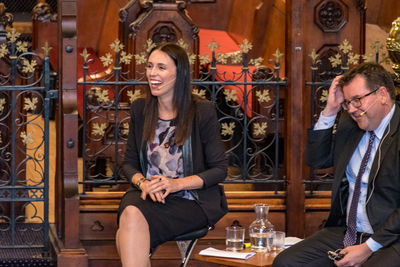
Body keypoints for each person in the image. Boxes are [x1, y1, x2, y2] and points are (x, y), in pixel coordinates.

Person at [273, 62, 400, 267]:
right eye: (347, 102)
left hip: (391, 237)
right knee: (286, 263)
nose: (351, 109)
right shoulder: (350, 125)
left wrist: (369, 247)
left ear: (382, 94)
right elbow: (316, 160)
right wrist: (331, 110)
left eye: (357, 100)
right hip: (347, 232)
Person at [116, 42, 228, 267]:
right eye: (149, 66)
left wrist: (176, 185)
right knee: (130, 212)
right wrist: (143, 183)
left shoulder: (202, 111)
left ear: (180, 73)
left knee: (127, 229)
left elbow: (219, 170)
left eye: (161, 67)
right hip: (146, 195)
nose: (152, 73)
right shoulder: (140, 108)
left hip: (190, 200)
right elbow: (128, 163)